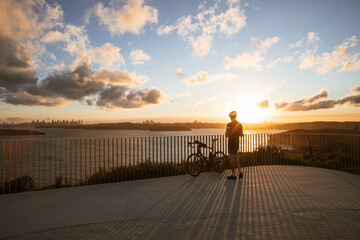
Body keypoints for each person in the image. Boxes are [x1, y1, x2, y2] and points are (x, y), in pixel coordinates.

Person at [225, 111, 244, 180]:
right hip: (236, 143)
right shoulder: (239, 124)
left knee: (231, 159)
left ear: (230, 117)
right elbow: (241, 134)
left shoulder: (229, 125)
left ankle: (233, 175)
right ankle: (240, 172)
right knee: (236, 158)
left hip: (231, 143)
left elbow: (227, 135)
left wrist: (227, 132)